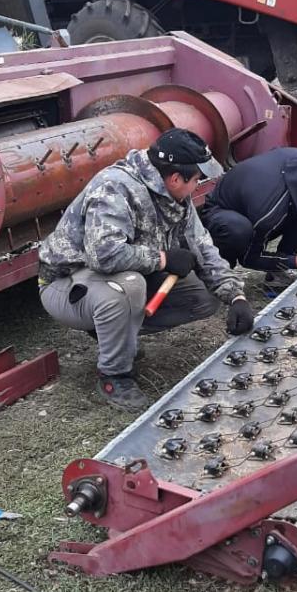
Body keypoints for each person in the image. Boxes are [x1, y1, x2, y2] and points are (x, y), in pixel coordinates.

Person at [38, 129, 254, 411]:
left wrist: (235, 296)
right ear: (176, 178)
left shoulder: (176, 195)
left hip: (113, 279)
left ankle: (116, 332)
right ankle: (114, 375)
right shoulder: (115, 187)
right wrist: (163, 259)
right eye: (197, 177)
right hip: (65, 284)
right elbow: (103, 255)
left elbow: (203, 247)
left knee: (204, 295)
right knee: (129, 287)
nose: (199, 182)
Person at [201, 147, 297, 295]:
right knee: (238, 231)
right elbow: (249, 258)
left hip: (257, 202)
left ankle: (277, 274)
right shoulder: (269, 211)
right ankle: (217, 276)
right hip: (220, 213)